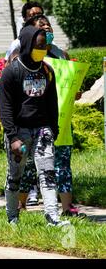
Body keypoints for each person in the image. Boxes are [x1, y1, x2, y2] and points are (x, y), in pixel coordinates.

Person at [0, 25, 70, 227]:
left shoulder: (47, 71)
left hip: (42, 130)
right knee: (15, 175)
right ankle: (12, 216)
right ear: (28, 44)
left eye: (45, 45)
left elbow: (52, 103)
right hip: (19, 132)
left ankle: (52, 216)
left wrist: (53, 129)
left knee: (47, 173)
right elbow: (5, 107)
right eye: (38, 45)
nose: (43, 49)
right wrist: (12, 136)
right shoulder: (12, 72)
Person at [17, 15, 85, 217]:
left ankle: (66, 208)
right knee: (29, 163)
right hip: (33, 119)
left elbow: (67, 83)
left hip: (60, 119)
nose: (46, 28)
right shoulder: (25, 58)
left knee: (63, 163)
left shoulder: (61, 55)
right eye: (41, 26)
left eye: (48, 25)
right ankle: (20, 203)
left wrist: (74, 91)